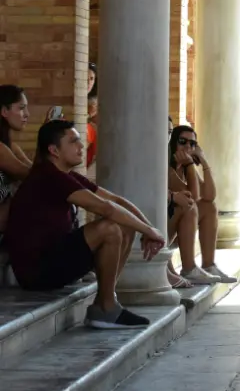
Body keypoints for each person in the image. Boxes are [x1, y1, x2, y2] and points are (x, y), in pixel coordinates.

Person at [5, 119, 165, 329]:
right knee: (109, 228)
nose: (82, 146)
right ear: (54, 150)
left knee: (124, 225)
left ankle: (105, 302)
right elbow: (105, 208)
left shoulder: (65, 175)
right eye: (74, 141)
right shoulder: (48, 175)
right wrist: (149, 230)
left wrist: (147, 229)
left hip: (56, 257)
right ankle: (106, 308)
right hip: (37, 271)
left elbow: (115, 201)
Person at [168, 125, 237, 283]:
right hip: (163, 230)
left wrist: (203, 161)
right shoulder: (169, 169)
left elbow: (209, 196)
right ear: (173, 143)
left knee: (209, 207)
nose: (187, 146)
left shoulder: (186, 168)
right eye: (182, 141)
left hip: (179, 226)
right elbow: (194, 195)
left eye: (192, 144)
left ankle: (208, 265)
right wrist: (190, 165)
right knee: (192, 206)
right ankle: (189, 269)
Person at [0, 86, 32, 247]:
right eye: (21, 108)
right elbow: (28, 175)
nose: (27, 114)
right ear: (4, 111)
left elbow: (35, 171)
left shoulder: (10, 145)